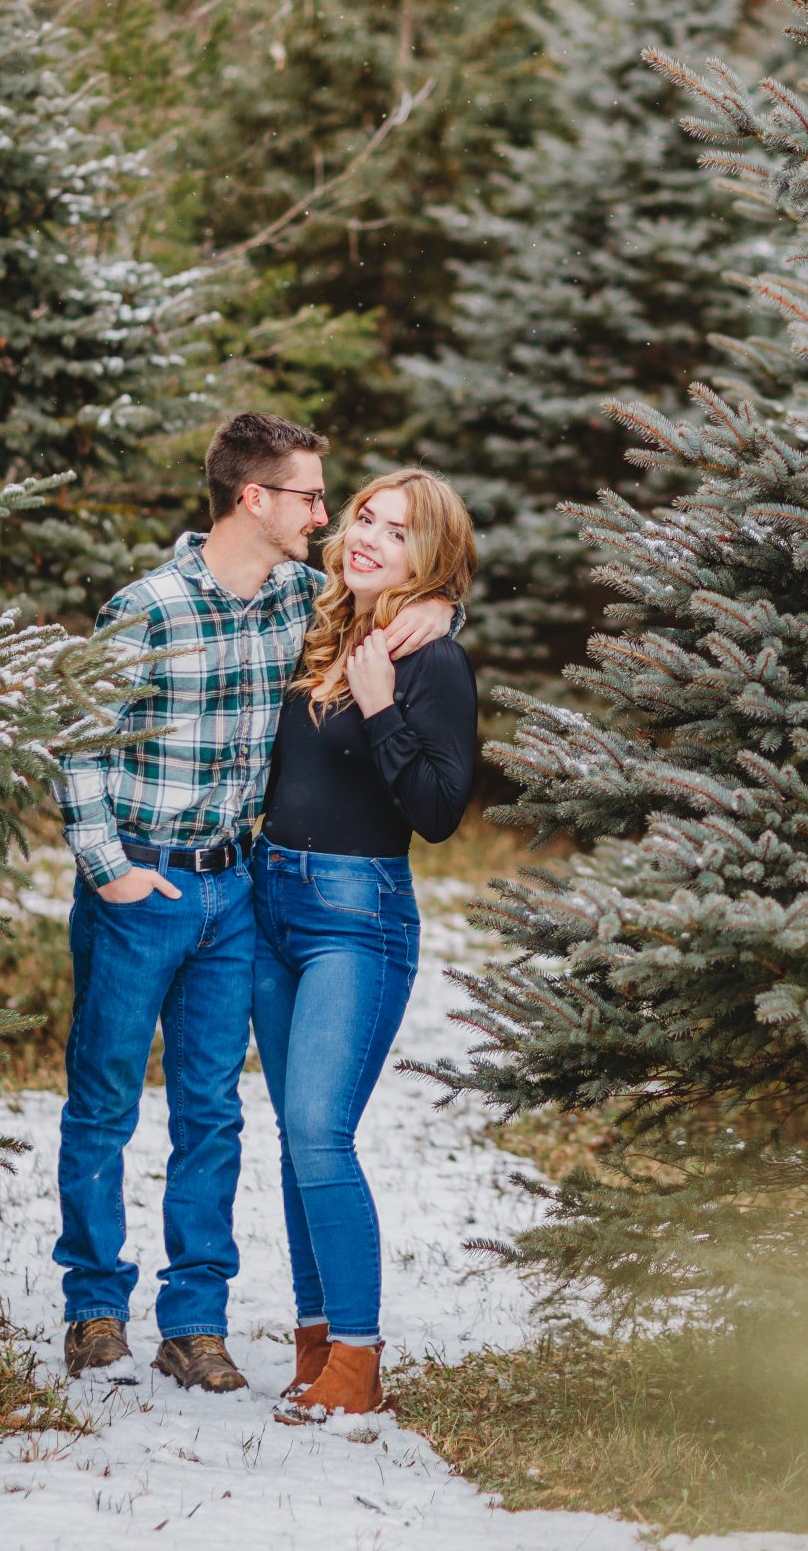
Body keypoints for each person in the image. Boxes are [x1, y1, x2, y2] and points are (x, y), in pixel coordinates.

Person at [50, 415, 456, 1393]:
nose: (326, 516)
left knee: (212, 1112)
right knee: (103, 1101)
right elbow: (76, 741)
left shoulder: (298, 601)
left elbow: (395, 603)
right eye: (313, 498)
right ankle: (94, 1309)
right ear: (254, 499)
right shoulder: (145, 608)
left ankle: (195, 1322)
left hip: (237, 888)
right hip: (141, 882)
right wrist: (110, 869)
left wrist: (440, 612)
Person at [249, 468, 478, 1421]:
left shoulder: (430, 660)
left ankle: (358, 1356)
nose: (370, 538)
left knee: (318, 1130)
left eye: (398, 530)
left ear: (433, 555)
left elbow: (437, 811)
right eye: (364, 519)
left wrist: (383, 702)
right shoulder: (325, 620)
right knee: (293, 1137)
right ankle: (313, 1341)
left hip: (358, 913)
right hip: (270, 901)